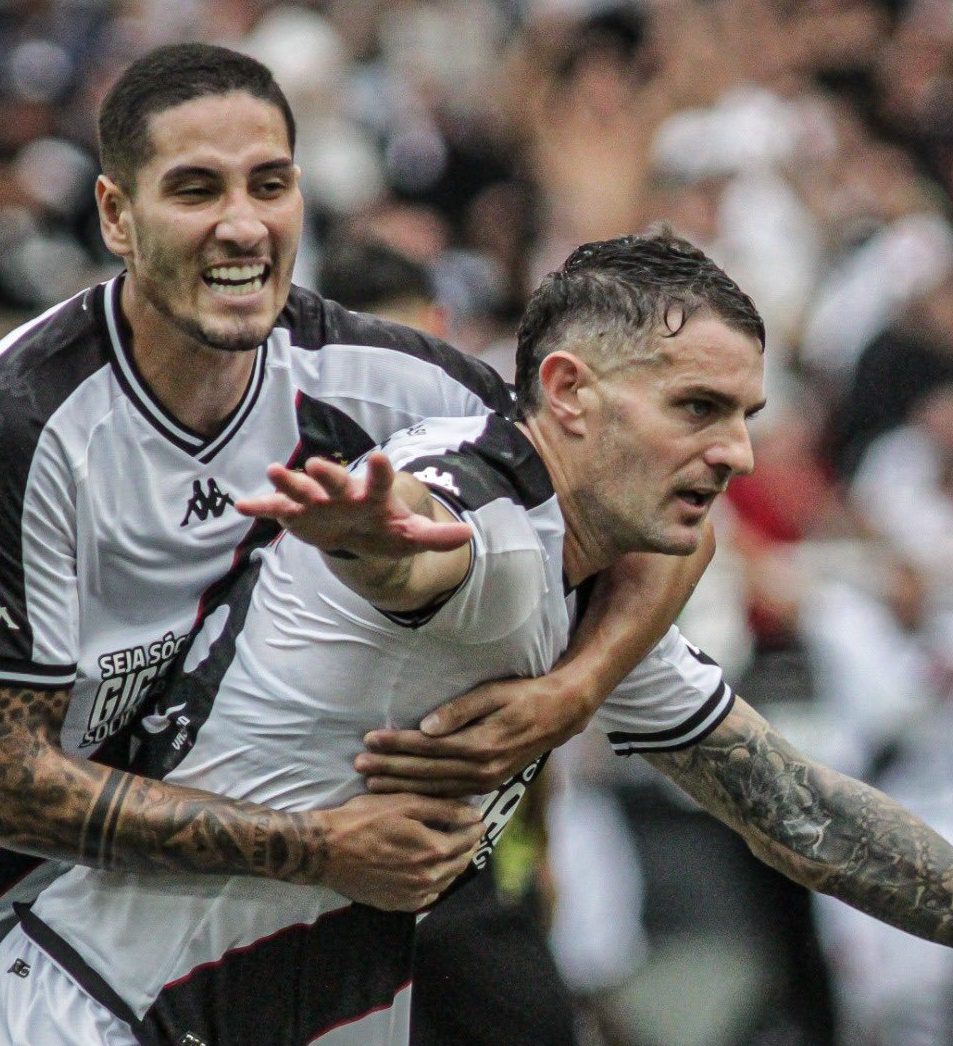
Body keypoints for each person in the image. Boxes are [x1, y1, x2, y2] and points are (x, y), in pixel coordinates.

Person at [0, 231, 953, 1046]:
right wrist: (375, 540)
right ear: (568, 391)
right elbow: (434, 545)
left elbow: (801, 812)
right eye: (699, 409)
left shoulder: (594, 577)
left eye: (748, 414)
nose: (738, 452)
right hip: (104, 1015)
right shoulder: (485, 519)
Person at [0, 44, 707, 1046]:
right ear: (117, 216)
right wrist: (323, 847)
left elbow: (642, 496)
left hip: (57, 932)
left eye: (270, 184)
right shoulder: (19, 422)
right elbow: (6, 787)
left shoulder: (371, 376)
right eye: (196, 188)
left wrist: (573, 693)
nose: (243, 223)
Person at [318, 235, 579, 1046]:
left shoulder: (500, 458)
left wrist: (572, 698)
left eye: (409, 349)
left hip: (470, 873)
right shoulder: (306, 484)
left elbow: (532, 692)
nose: (393, 388)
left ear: (440, 327)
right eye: (371, 364)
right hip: (322, 879)